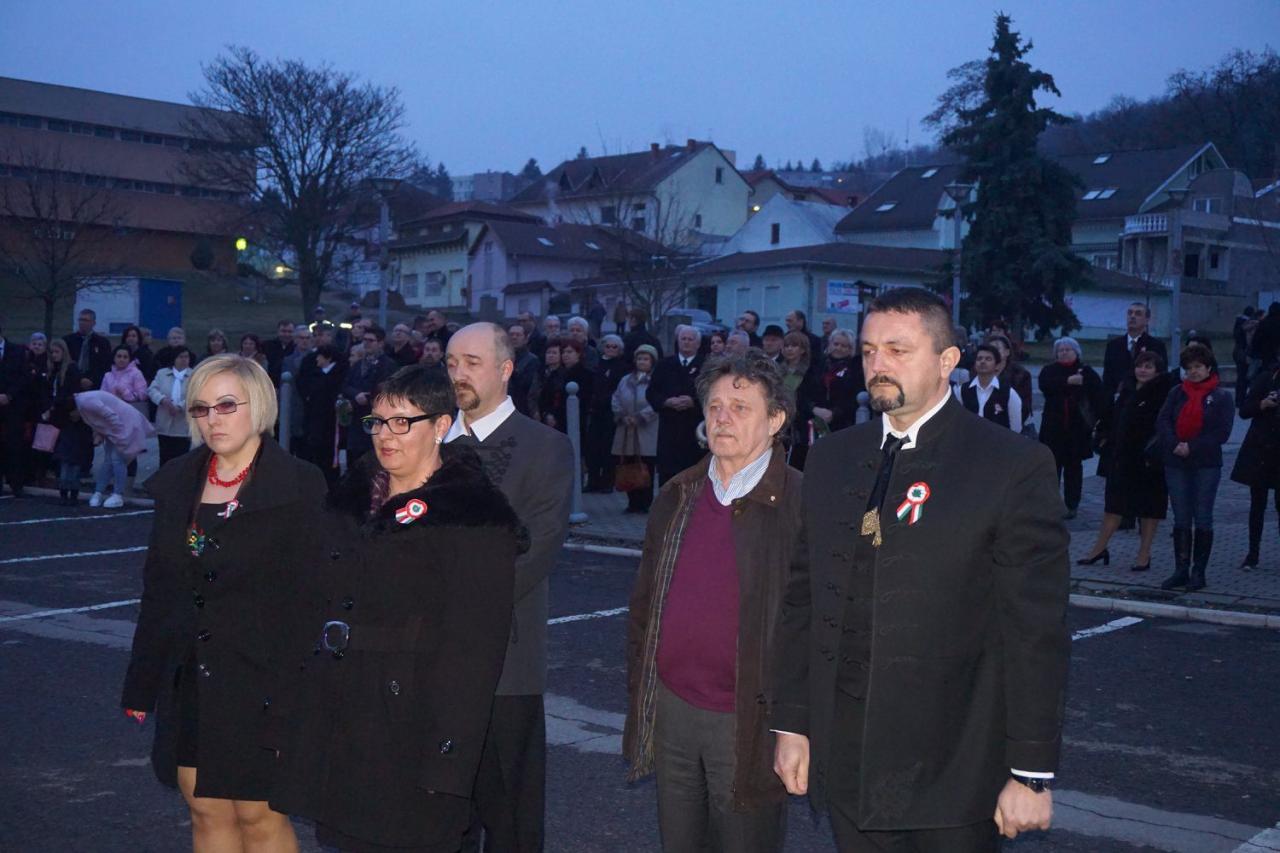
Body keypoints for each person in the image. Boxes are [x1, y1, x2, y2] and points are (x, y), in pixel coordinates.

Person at [772, 287, 1069, 852]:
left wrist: (1030, 772)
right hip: (847, 755)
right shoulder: (832, 457)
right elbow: (804, 599)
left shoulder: (1010, 465)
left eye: (897, 350)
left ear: (947, 360)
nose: (877, 365)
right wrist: (792, 723)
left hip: (953, 768)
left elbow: (1035, 630)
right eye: (868, 350)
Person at [271, 364, 521, 852]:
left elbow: (475, 649)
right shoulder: (351, 500)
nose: (385, 435)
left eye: (402, 422)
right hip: (341, 710)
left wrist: (447, 759)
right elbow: (309, 604)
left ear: (441, 425)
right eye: (378, 422)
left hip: (413, 721)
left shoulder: (472, 514)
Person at [121, 354, 324, 852]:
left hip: (266, 680)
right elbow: (159, 590)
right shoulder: (178, 483)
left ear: (260, 406)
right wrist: (142, 685)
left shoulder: (299, 485)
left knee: (259, 817)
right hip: (192, 676)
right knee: (205, 810)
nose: (213, 419)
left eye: (227, 405)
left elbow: (316, 599)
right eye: (202, 408)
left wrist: (306, 697)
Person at [625, 350, 801, 852]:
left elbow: (812, 625)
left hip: (748, 718)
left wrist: (795, 726)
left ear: (776, 420)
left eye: (741, 408)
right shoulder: (678, 494)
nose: (723, 418)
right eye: (715, 406)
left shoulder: (801, 503)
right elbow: (644, 604)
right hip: (674, 707)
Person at [444, 323, 574, 853]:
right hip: (429, 662)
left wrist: (448, 606)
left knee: (511, 819)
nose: (458, 373)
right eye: (451, 363)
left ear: (505, 369)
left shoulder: (546, 448)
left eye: (472, 363)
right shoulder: (424, 439)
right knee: (440, 817)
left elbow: (536, 550)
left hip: (506, 660)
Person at [1079, 351, 1175, 572]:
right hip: (1121, 458)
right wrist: (1103, 438)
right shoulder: (1127, 388)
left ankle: (1144, 554)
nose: (1143, 370)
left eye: (1148, 367)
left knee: (1149, 509)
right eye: (1140, 366)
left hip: (1149, 461)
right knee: (1113, 506)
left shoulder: (1163, 393)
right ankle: (1099, 549)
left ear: (1158, 371)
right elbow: (1112, 417)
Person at [1156, 343, 1234, 591]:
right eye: (1189, 368)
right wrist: (1175, 444)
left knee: (1202, 516)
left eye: (1198, 367)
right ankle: (1181, 569)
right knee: (1181, 516)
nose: (1194, 372)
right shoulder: (1177, 392)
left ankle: (1198, 572)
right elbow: (1163, 421)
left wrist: (1192, 446)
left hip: (1205, 463)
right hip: (1176, 460)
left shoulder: (1222, 397)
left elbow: (1221, 432)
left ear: (1208, 368)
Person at [1038, 337, 1103, 519]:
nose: (1064, 352)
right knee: (1051, 468)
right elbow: (1046, 386)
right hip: (1053, 428)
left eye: (1068, 349)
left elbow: (1098, 393)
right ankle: (1051, 504)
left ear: (1076, 352)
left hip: (1077, 430)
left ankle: (1072, 504)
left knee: (1074, 468)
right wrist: (1068, 381)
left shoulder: (1086, 371)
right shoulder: (1049, 370)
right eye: (1061, 350)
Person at [1232, 360, 1280, 570]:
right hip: (1261, 449)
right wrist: (1263, 404)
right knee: (1257, 504)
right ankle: (1252, 554)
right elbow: (1244, 410)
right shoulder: (1266, 378)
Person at [648, 325, 706, 485]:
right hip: (669, 428)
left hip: (694, 428)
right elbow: (652, 392)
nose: (686, 342)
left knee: (694, 476)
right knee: (668, 476)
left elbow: (714, 393)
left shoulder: (706, 366)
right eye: (683, 339)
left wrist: (694, 401)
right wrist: (666, 401)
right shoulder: (664, 365)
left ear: (698, 344)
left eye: (690, 339)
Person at [40, 339, 91, 504]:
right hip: (59, 417)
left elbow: (74, 393)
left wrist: (58, 405)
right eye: (52, 352)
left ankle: (71, 489)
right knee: (64, 456)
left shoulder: (71, 369)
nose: (54, 355)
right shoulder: (52, 370)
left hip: (70, 417)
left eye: (57, 352)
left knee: (70, 457)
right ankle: (65, 489)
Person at [612, 344, 659, 513]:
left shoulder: (655, 381)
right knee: (628, 465)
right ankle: (632, 502)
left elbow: (656, 402)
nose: (642, 362)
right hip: (626, 429)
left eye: (646, 359)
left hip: (646, 429)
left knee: (646, 466)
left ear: (652, 362)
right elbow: (616, 398)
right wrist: (622, 415)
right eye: (639, 358)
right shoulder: (625, 380)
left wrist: (640, 417)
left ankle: (645, 502)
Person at [342, 325, 397, 467]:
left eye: (371, 340)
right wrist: (356, 395)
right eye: (364, 340)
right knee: (354, 463)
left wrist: (364, 398)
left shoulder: (388, 365)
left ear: (380, 343)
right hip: (356, 422)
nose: (366, 343)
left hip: (375, 420)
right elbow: (345, 385)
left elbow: (385, 389)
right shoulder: (358, 364)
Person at [296, 343, 347, 487]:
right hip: (314, 421)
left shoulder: (338, 375)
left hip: (330, 423)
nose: (316, 359)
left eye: (320, 356)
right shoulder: (314, 374)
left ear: (328, 358)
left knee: (328, 456)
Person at [585, 334, 628, 492]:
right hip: (595, 411)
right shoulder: (597, 364)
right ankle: (593, 481)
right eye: (607, 346)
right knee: (593, 447)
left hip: (611, 412)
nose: (610, 349)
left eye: (614, 347)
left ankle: (607, 482)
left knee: (608, 448)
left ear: (619, 349)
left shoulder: (622, 366)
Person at [1102, 302, 1168, 403]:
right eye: (1130, 313)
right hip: (1116, 401)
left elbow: (1162, 376)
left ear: (1147, 320)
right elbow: (1107, 377)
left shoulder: (1156, 346)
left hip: (1146, 400)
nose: (1132, 316)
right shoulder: (1113, 345)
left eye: (1138, 313)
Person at [780, 331, 823, 470]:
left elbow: (811, 396)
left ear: (803, 349)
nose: (789, 349)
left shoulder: (811, 371)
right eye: (786, 346)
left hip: (801, 423)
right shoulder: (777, 370)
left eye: (794, 346)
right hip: (780, 420)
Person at [954, 343, 1022, 430]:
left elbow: (1016, 428)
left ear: (997, 365)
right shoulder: (962, 391)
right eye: (979, 359)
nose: (983, 362)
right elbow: (957, 421)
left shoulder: (1009, 394)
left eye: (988, 359)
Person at [147, 347, 195, 467]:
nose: (184, 360)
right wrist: (162, 400)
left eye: (186, 357)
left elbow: (195, 394)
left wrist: (180, 406)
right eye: (180, 357)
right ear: (174, 358)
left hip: (183, 425)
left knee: (181, 460)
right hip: (164, 422)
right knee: (164, 459)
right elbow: (152, 390)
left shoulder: (194, 375)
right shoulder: (162, 373)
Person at [813, 328, 864, 433]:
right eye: (836, 344)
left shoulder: (856, 369)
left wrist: (834, 413)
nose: (838, 348)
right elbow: (805, 391)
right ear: (829, 344)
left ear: (850, 349)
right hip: (815, 418)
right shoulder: (817, 364)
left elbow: (855, 396)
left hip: (844, 423)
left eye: (843, 346)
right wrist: (814, 409)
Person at [0, 318, 31, 496]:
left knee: (14, 445)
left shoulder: (17, 351)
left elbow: (24, 377)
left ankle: (16, 483)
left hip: (13, 406)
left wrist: (9, 395)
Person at [986, 335, 1033, 433]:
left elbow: (1024, 408)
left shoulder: (1020, 375)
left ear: (1007, 352)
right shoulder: (980, 372)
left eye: (997, 348)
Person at [64, 308, 112, 390]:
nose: (82, 323)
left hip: (94, 385)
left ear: (93, 323)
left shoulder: (102, 343)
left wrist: (93, 380)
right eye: (80, 320)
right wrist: (79, 378)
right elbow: (66, 362)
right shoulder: (68, 341)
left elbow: (105, 365)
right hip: (71, 384)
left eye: (86, 320)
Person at [507, 323, 542, 419]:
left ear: (526, 339)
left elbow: (532, 390)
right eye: (511, 334)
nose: (514, 337)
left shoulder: (532, 361)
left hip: (524, 410)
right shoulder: (501, 359)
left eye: (518, 335)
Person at [1233, 307, 1259, 408]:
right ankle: (1242, 400)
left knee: (1241, 378)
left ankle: (1239, 400)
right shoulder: (1248, 324)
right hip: (1244, 354)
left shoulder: (1239, 323)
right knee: (1245, 378)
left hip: (1238, 352)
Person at [538, 337, 566, 431]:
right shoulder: (540, 372)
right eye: (548, 352)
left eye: (554, 353)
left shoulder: (564, 374)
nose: (550, 355)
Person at [263, 320, 296, 386]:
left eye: (290, 332)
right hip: (270, 384)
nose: (286, 334)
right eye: (283, 331)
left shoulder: (297, 347)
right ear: (278, 332)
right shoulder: (267, 346)